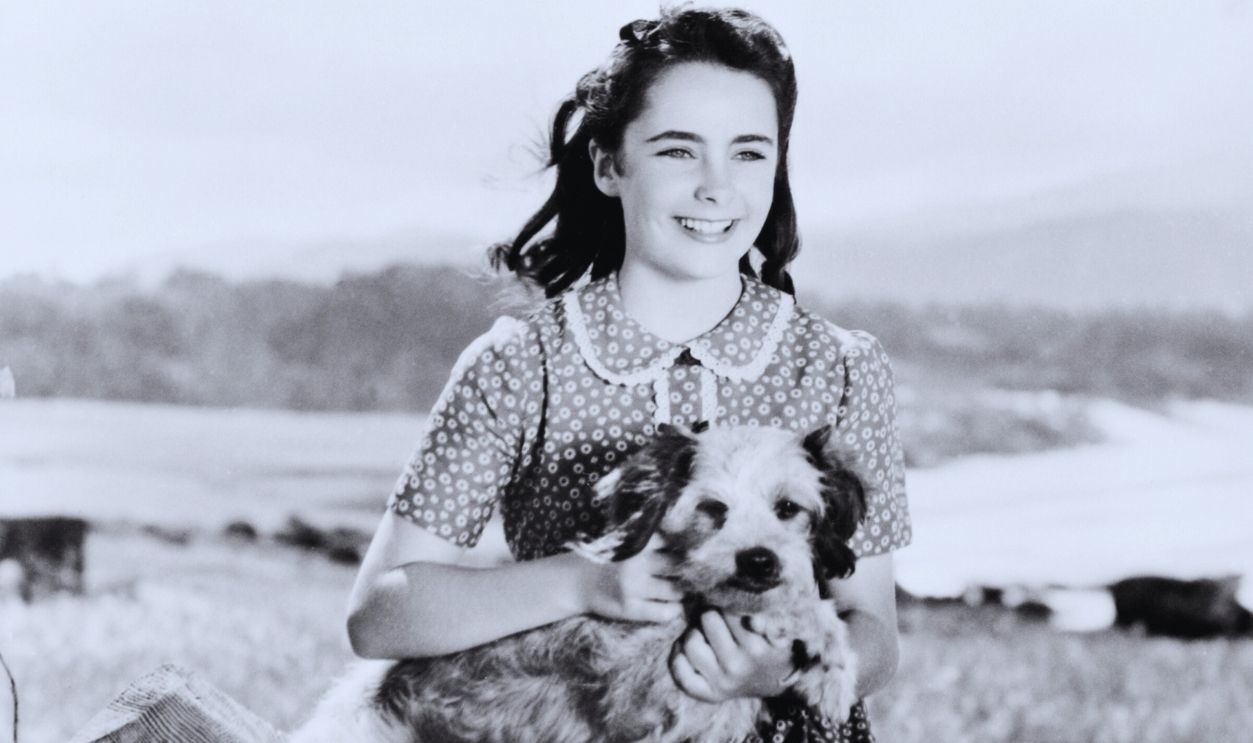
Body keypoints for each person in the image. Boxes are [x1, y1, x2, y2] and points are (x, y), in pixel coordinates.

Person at [346, 7, 911, 742]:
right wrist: (583, 581)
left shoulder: (839, 366)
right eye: (679, 152)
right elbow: (379, 614)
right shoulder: (519, 364)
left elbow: (875, 633)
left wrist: (773, 671)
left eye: (749, 153)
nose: (716, 187)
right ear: (610, 165)